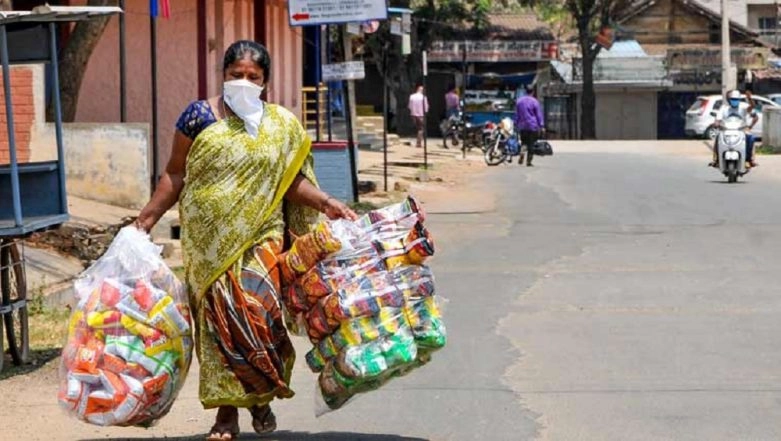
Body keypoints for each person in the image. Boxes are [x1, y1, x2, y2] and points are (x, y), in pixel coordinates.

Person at [134, 40, 357, 441]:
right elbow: (175, 174)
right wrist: (146, 219)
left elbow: (292, 183)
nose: (243, 81)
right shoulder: (198, 116)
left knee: (255, 311)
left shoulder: (281, 125)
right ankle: (227, 414)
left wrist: (326, 203)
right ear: (223, 74)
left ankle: (256, 395)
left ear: (266, 82)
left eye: (253, 77)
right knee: (221, 322)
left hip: (262, 234)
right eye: (236, 74)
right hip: (208, 241)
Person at [709, 89, 759, 168]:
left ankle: (749, 159)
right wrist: (716, 124)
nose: (734, 101)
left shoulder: (743, 107)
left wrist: (749, 98)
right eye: (732, 99)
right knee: (718, 137)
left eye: (736, 99)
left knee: (751, 138)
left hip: (742, 130)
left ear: (739, 100)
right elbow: (718, 119)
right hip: (726, 130)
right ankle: (717, 159)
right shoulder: (724, 108)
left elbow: (752, 107)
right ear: (729, 100)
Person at [514, 84, 545, 166]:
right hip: (532, 125)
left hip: (522, 126)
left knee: (524, 142)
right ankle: (529, 161)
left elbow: (517, 114)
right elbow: (538, 115)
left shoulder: (519, 101)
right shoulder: (535, 102)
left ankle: (522, 150)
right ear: (533, 92)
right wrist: (541, 126)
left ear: (525, 91)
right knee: (531, 144)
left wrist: (516, 123)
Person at [408, 84, 429, 148]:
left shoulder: (412, 96)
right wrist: (426, 112)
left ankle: (417, 140)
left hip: (413, 114)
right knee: (421, 128)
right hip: (421, 114)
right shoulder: (423, 97)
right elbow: (426, 107)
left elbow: (409, 106)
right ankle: (418, 142)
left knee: (416, 128)